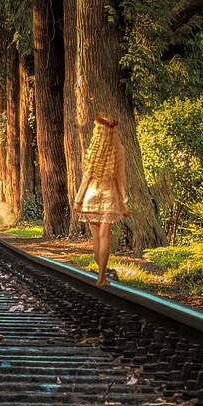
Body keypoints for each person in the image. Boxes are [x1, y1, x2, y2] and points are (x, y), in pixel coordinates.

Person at [72, 113, 129, 285]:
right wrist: (124, 202)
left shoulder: (92, 152)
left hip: (91, 195)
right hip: (109, 197)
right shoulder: (118, 151)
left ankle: (101, 272)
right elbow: (120, 179)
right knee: (105, 238)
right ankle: (101, 277)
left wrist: (78, 201)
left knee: (96, 239)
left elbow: (86, 178)